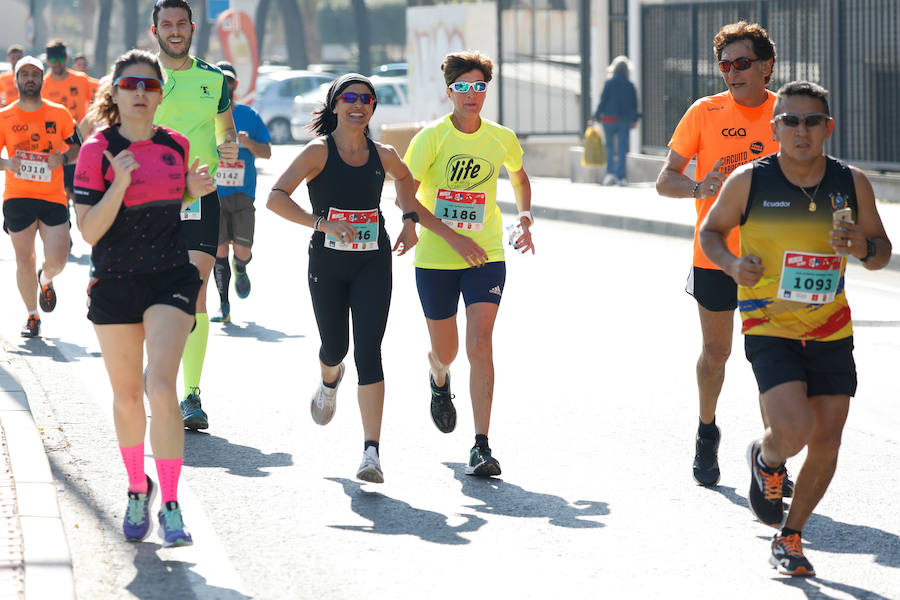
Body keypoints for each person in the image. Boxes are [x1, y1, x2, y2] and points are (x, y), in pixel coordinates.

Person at [699, 81, 891, 576]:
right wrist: (731, 263)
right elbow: (711, 232)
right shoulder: (750, 180)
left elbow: (882, 251)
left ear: (828, 127)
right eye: (791, 121)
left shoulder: (852, 182)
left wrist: (861, 250)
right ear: (775, 127)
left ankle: (791, 535)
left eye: (812, 121)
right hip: (770, 324)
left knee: (827, 440)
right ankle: (766, 459)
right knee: (794, 431)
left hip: (831, 329)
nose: (801, 130)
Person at [267, 74, 471, 483]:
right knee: (335, 346)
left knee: (369, 351)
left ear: (373, 108)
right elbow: (275, 198)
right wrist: (319, 223)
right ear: (335, 105)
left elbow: (406, 179)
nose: (358, 104)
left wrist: (410, 219)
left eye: (366, 99)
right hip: (327, 263)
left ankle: (371, 452)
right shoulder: (317, 152)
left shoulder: (384, 154)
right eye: (349, 98)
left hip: (372, 261)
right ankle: (329, 379)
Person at [73, 49, 215, 547]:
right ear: (114, 92)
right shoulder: (96, 150)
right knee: (128, 395)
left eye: (150, 86)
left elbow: (170, 203)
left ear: (160, 94)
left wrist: (192, 191)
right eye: (130, 85)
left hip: (169, 278)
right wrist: (122, 182)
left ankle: (171, 504)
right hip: (113, 281)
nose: (140, 93)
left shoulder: (176, 145)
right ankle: (139, 487)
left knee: (160, 386)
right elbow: (89, 232)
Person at [655, 21, 790, 489]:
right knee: (718, 352)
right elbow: (663, 179)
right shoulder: (704, 112)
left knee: (771, 356)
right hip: (714, 254)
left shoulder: (788, 113)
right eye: (725, 64)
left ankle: (773, 458)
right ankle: (706, 431)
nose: (731, 72)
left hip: (771, 260)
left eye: (742, 63)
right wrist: (697, 186)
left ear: (766, 66)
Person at [403, 50, 535, 477]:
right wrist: (452, 237)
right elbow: (406, 197)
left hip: (487, 255)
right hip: (438, 257)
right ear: (449, 92)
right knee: (449, 351)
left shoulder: (500, 137)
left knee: (480, 344)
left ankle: (481, 445)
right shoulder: (431, 138)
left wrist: (526, 214)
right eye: (463, 87)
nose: (471, 95)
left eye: (479, 86)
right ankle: (439, 377)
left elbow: (518, 174)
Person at [151, 0, 239, 430]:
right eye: (166, 24)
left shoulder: (214, 78)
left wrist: (229, 143)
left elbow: (226, 125)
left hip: (201, 195)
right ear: (155, 31)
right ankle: (158, 369)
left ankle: (190, 394)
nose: (174, 30)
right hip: (149, 197)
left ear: (191, 27)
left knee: (194, 292)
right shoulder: (141, 78)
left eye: (180, 23)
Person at [0, 55, 81, 337]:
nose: (30, 78)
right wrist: (6, 164)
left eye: (35, 73)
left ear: (42, 79)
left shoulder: (59, 113)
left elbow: (77, 147)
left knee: (58, 258)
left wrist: (62, 157)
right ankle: (32, 316)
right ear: (17, 80)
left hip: (52, 196)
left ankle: (46, 279)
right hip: (17, 196)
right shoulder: (5, 115)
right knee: (24, 259)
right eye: (25, 74)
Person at [209, 60, 271, 324]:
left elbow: (267, 153)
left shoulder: (249, 115)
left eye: (229, 81)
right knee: (219, 248)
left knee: (242, 250)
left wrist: (248, 143)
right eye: (220, 81)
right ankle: (223, 304)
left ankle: (241, 267)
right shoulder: (205, 115)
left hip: (244, 194)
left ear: (235, 85)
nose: (225, 85)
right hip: (214, 193)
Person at [42, 40, 94, 206]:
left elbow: (91, 107)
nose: (57, 63)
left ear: (66, 58)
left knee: (80, 197)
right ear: (48, 60)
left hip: (79, 147)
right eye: (53, 59)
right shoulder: (43, 84)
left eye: (60, 59)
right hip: (55, 149)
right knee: (60, 198)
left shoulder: (81, 80)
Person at [592, 56, 639, 186]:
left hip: (608, 120)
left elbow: (603, 101)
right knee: (623, 148)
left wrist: (596, 116)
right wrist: (635, 119)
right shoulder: (630, 86)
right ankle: (621, 178)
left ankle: (610, 174)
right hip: (624, 120)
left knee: (610, 147)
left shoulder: (608, 83)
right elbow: (634, 104)